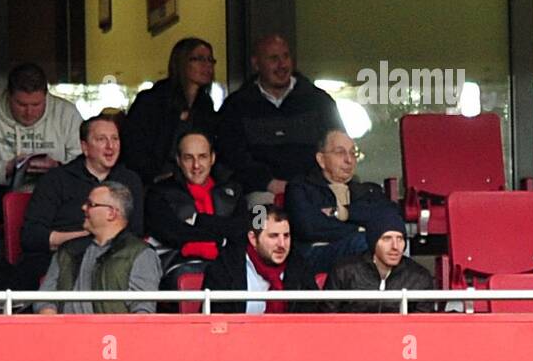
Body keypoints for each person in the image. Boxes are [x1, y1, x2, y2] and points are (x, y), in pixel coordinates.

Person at [217, 34, 345, 204]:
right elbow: (232, 157)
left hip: (314, 190)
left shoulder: (319, 102)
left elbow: (338, 147)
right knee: (260, 223)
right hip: (260, 193)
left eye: (286, 56)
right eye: (273, 58)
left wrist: (308, 184)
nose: (282, 65)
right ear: (256, 64)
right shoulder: (237, 106)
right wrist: (267, 182)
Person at [18, 115, 144, 286]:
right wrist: (85, 238)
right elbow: (32, 236)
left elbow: (136, 232)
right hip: (62, 259)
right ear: (84, 147)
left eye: (115, 139)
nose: (111, 146)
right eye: (101, 139)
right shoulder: (56, 179)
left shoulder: (130, 180)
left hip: (116, 261)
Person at [33, 182, 159, 315]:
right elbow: (45, 299)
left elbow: (143, 311)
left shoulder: (141, 253)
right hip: (66, 332)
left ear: (111, 213)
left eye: (91, 204)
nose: (83, 207)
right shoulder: (67, 251)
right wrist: (52, 324)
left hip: (113, 334)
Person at [285, 129, 398, 274]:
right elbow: (309, 227)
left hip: (357, 250)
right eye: (340, 152)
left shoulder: (368, 190)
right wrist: (359, 228)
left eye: (352, 153)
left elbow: (392, 215)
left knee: (394, 243)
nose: (348, 160)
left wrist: (345, 214)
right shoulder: (301, 187)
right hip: (316, 254)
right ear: (321, 159)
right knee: (365, 241)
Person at [145, 130, 246, 289]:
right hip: (178, 266)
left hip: (230, 265)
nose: (196, 165)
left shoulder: (234, 189)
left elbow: (247, 227)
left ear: (212, 158)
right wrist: (223, 237)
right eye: (188, 158)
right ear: (178, 160)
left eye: (202, 157)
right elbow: (173, 233)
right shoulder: (159, 192)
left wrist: (201, 221)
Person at [0, 63, 84, 189]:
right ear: (9, 96)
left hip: (58, 193)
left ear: (46, 96)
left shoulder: (67, 114)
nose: (29, 112)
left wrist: (58, 167)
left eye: (36, 104)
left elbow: (85, 161)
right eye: (21, 104)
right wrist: (6, 168)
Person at [122, 38, 221, 185]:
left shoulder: (205, 104)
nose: (207, 65)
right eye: (198, 59)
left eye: (210, 60)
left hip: (196, 178)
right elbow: (134, 148)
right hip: (155, 180)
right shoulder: (152, 100)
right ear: (181, 62)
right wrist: (154, 175)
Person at [201, 205, 317, 313]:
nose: (282, 244)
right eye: (273, 236)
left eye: (286, 236)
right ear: (253, 239)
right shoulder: (224, 269)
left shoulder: (300, 267)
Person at [323, 206, 435, 312]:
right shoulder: (344, 271)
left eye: (400, 239)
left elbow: (423, 326)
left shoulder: (419, 277)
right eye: (387, 239)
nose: (395, 246)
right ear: (373, 242)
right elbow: (325, 320)